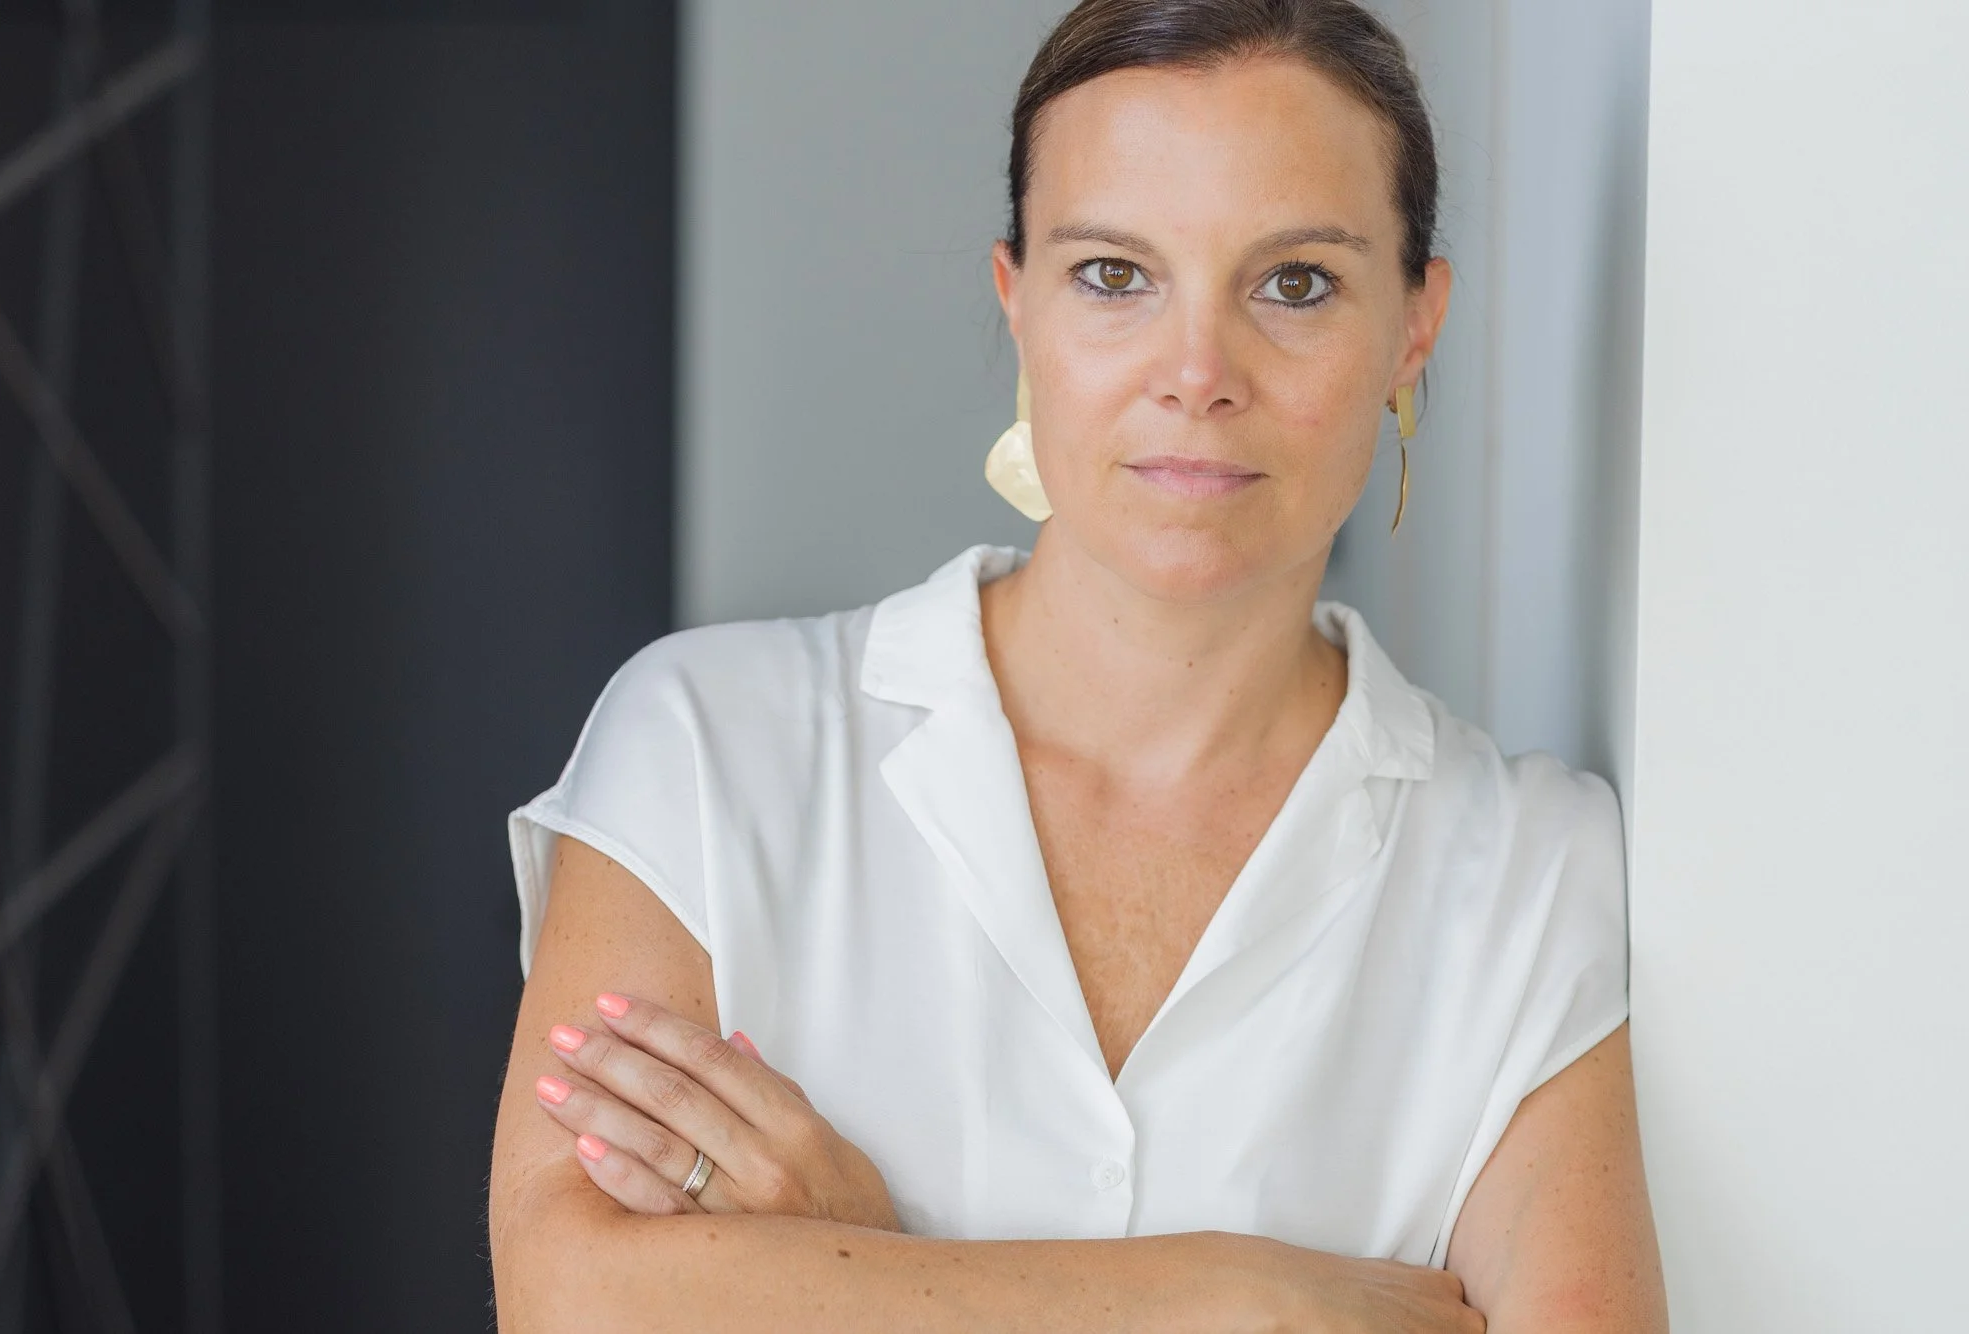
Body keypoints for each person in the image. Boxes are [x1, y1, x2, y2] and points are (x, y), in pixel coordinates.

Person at [487, 1, 1667, 1328]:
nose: (1197, 372)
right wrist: (1228, 1298)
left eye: (1294, 283)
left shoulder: (1528, 873)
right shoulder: (709, 746)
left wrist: (861, 1270)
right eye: (1114, 274)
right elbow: (571, 1296)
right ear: (1019, 304)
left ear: (1414, 323)